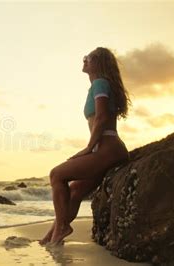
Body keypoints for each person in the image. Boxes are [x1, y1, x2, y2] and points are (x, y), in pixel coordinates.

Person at [39, 47, 131, 245]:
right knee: (75, 190)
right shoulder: (101, 85)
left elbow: (101, 116)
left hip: (107, 148)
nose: (84, 61)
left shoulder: (100, 83)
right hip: (110, 148)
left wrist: (89, 148)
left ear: (98, 63)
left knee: (56, 174)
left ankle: (62, 227)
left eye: (87, 58)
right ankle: (52, 237)